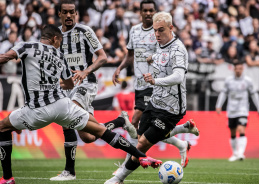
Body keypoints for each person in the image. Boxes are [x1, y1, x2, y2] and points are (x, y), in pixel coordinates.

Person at [0, 24, 160, 184]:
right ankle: (142, 156)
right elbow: (69, 85)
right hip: (62, 105)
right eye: (59, 42)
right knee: (99, 131)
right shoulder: (59, 55)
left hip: (36, 110)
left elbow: (4, 58)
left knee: (2, 127)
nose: (59, 45)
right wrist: (54, 85)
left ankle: (7, 178)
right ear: (55, 38)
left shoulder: (27, 46)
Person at [105, 11, 199, 184]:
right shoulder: (160, 45)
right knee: (141, 139)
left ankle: (118, 179)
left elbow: (178, 76)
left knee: (140, 146)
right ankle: (183, 133)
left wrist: (155, 80)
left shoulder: (179, 49)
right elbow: (163, 57)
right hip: (155, 102)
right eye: (155, 30)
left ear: (171, 28)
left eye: (161, 30)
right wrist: (152, 58)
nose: (156, 34)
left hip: (171, 109)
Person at [50, 0, 137, 181]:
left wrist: (85, 71)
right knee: (89, 136)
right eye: (64, 12)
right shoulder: (54, 36)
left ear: (76, 13)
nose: (68, 15)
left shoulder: (85, 31)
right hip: (66, 86)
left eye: (71, 12)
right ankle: (119, 121)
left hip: (86, 82)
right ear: (59, 14)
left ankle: (69, 171)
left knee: (67, 113)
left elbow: (103, 57)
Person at [215, 62, 259, 162]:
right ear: (234, 69)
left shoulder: (248, 81)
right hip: (231, 110)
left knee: (241, 129)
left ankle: (241, 153)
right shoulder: (228, 80)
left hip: (243, 110)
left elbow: (254, 94)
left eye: (240, 69)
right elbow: (223, 93)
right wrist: (218, 105)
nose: (238, 70)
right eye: (236, 68)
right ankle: (235, 153)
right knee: (232, 132)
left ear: (243, 69)